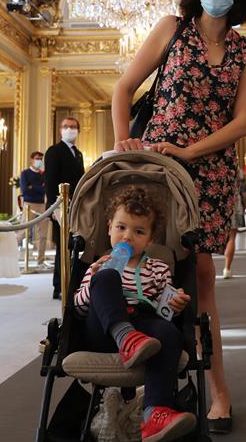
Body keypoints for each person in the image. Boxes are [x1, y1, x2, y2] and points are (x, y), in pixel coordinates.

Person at [112, 0, 246, 432]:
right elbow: (123, 88)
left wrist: (191, 151)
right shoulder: (171, 29)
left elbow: (244, 120)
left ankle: (219, 391)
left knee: (201, 280)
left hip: (210, 173)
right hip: (158, 171)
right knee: (144, 265)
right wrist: (123, 144)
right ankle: (143, 378)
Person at [73, 186, 195, 442]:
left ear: (150, 240)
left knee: (169, 332)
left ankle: (155, 413)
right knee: (106, 278)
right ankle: (124, 336)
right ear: (109, 228)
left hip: (144, 330)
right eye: (121, 227)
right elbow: (80, 309)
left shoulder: (158, 268)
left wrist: (174, 304)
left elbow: (162, 312)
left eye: (138, 232)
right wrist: (94, 280)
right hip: (105, 332)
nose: (127, 236)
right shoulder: (100, 265)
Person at [44, 117, 86, 300]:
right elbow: (50, 181)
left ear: (78, 130)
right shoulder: (54, 151)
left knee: (71, 246)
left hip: (75, 206)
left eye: (73, 127)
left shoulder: (79, 154)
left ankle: (69, 284)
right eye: (66, 126)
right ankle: (59, 287)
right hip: (59, 206)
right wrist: (53, 207)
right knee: (62, 247)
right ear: (60, 130)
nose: (70, 129)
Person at [19, 150, 49, 266]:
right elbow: (25, 190)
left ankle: (40, 260)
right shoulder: (25, 173)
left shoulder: (43, 174)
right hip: (29, 204)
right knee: (22, 232)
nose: (39, 161)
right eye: (37, 159)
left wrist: (33, 187)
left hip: (42, 205)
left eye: (41, 159)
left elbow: (45, 189)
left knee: (43, 234)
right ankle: (11, 255)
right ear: (32, 160)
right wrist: (38, 188)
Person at [222, 165, 246, 279]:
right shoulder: (238, 170)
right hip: (235, 204)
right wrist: (244, 205)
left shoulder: (216, 168)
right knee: (231, 238)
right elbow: (244, 192)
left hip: (219, 206)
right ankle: (227, 268)